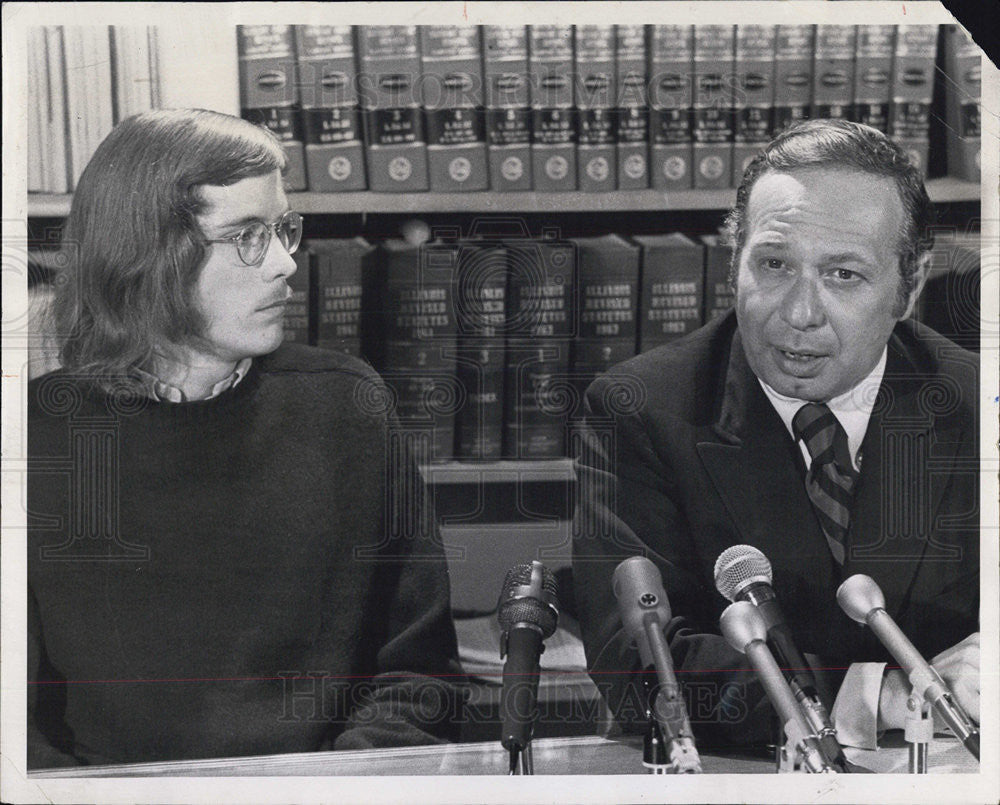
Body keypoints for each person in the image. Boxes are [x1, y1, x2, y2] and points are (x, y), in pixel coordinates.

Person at [27, 109, 465, 768]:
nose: (286, 263)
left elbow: (419, 679)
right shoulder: (35, 438)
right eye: (247, 236)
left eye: (284, 228)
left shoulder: (346, 405)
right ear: (147, 253)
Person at [573, 119, 979, 753]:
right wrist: (880, 696)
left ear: (912, 283)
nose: (799, 312)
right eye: (774, 264)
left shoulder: (981, 404)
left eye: (844, 274)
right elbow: (640, 664)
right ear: (734, 259)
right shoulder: (639, 409)